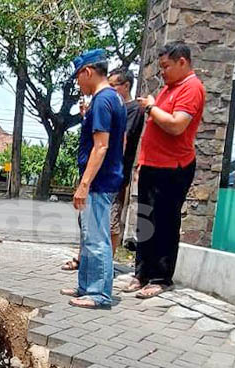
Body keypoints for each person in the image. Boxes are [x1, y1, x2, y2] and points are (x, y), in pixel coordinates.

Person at [121, 41, 206, 299]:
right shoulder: (169, 88)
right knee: (145, 221)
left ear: (183, 62)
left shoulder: (191, 88)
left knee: (165, 222)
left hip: (173, 167)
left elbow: (176, 125)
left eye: (166, 66)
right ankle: (142, 273)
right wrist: (142, 162)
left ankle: (160, 277)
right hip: (152, 165)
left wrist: (151, 107)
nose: (162, 72)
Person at [59, 49, 127, 309]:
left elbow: (101, 146)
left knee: (97, 237)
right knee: (89, 235)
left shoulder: (102, 101)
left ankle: (99, 293)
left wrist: (84, 184)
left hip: (99, 182)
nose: (78, 84)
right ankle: (86, 286)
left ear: (87, 72)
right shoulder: (114, 98)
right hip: (105, 178)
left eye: (78, 77)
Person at [108, 68, 146, 255]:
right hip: (103, 172)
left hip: (117, 173)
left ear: (126, 86)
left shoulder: (134, 109)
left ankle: (107, 261)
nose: (110, 90)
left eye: (113, 86)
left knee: (111, 219)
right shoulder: (114, 108)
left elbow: (123, 139)